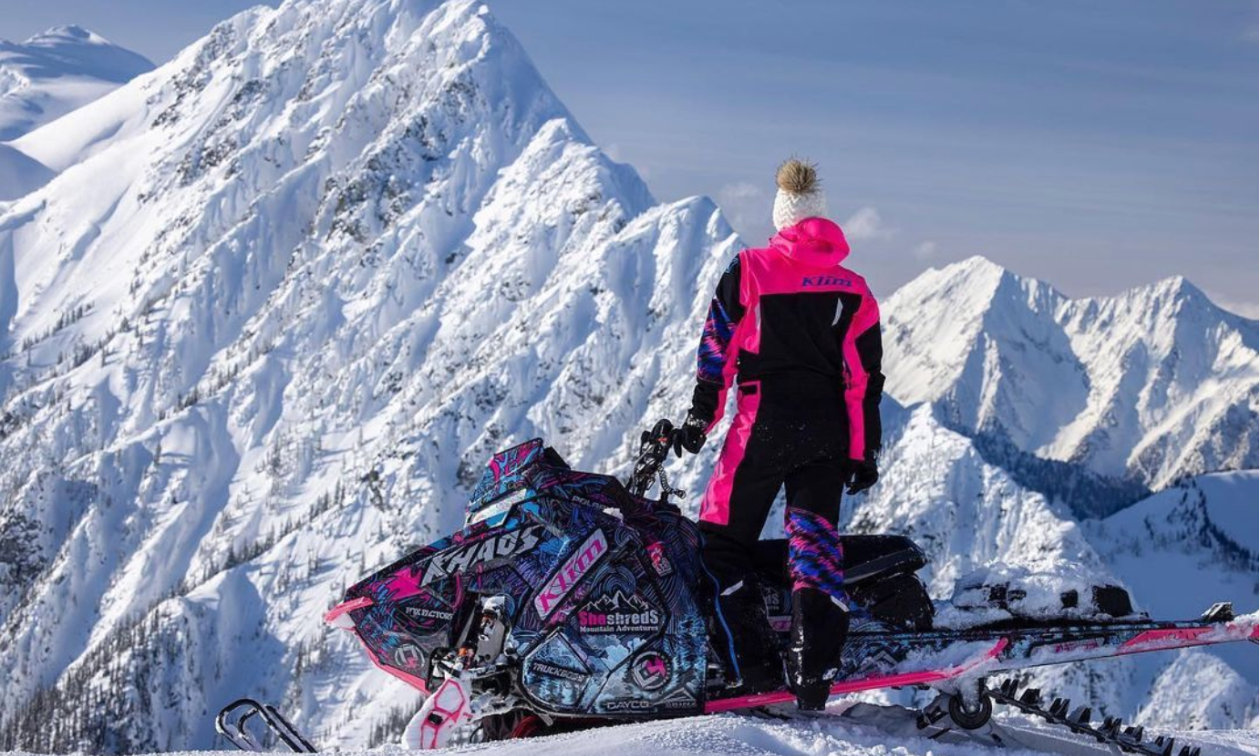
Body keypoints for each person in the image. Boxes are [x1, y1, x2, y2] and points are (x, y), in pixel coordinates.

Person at [671, 159, 884, 711]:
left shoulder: (750, 270)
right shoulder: (855, 289)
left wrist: (700, 420)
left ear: (780, 218)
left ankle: (756, 669)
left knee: (719, 544)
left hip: (763, 424)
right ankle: (814, 670)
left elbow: (717, 353)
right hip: (829, 430)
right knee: (814, 547)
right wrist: (863, 451)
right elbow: (864, 381)